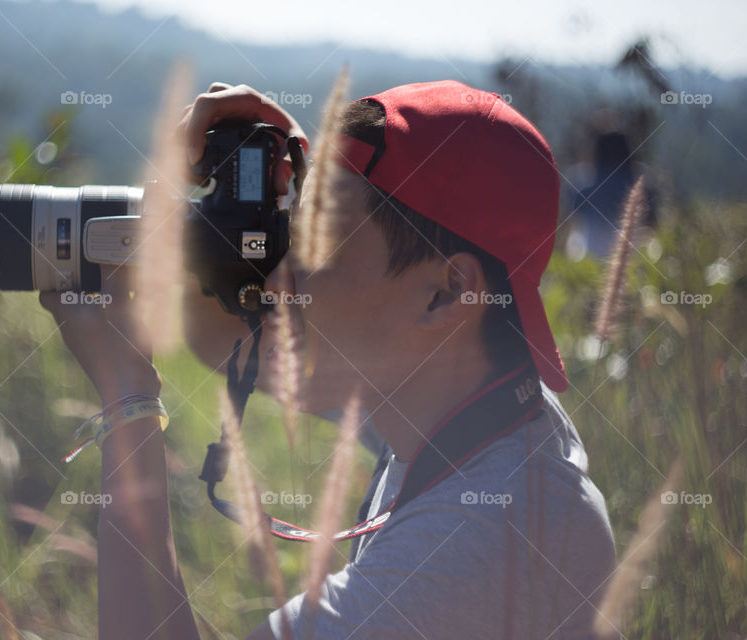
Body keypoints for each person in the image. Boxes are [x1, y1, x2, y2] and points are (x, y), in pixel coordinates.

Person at [38, 80, 617, 639]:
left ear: (447, 292)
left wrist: (128, 404)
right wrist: (244, 210)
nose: (286, 272)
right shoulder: (468, 404)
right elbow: (219, 341)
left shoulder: (478, 545)